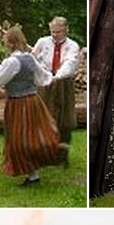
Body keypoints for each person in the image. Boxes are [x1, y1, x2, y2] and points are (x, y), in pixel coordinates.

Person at [0, 26, 68, 186]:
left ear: (10, 43)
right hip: (33, 101)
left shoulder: (12, 61)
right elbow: (42, 78)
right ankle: (34, 174)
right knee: (33, 135)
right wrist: (51, 78)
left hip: (19, 104)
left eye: (6, 42)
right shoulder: (29, 58)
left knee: (19, 139)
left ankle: (51, 153)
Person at [31, 16, 80, 144]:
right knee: (43, 113)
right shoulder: (42, 42)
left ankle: (62, 145)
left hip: (63, 82)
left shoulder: (72, 46)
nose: (55, 35)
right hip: (44, 81)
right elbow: (33, 59)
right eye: (53, 32)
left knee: (64, 116)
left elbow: (70, 63)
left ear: (66, 30)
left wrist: (57, 77)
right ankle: (43, 145)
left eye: (58, 32)